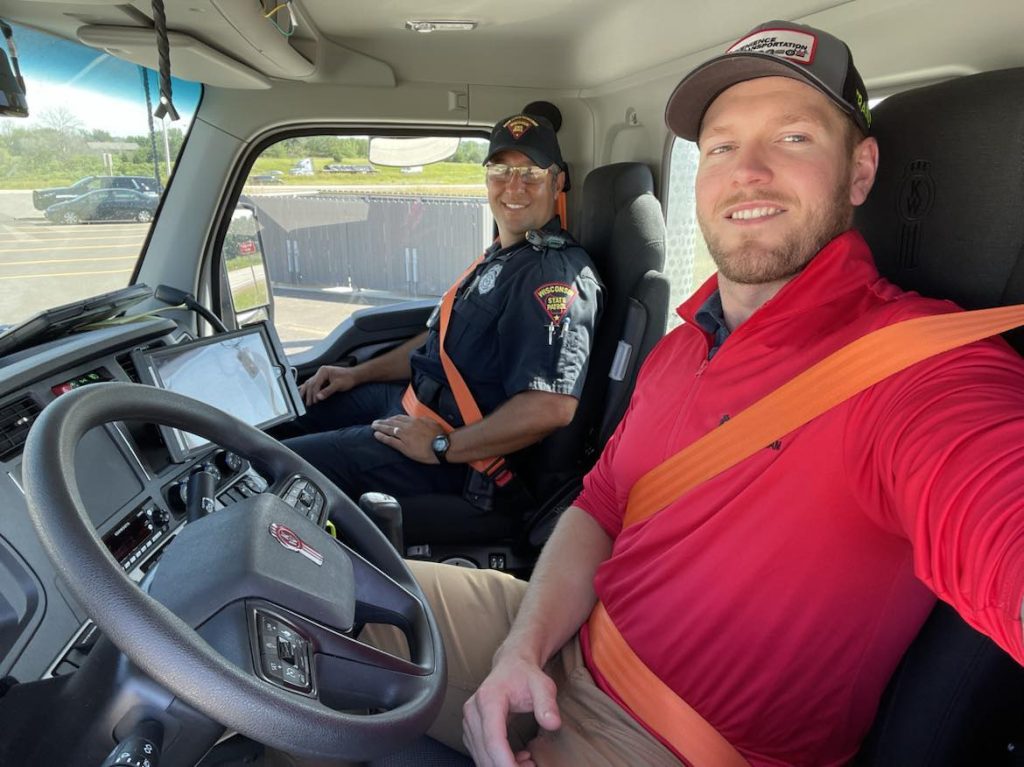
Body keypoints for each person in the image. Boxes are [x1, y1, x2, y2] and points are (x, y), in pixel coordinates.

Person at [362, 19, 1024, 767]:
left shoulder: (922, 370)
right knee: (311, 607)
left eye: (794, 138)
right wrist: (522, 648)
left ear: (860, 171)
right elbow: (601, 506)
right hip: (565, 635)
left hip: (665, 742)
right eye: (721, 146)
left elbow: (996, 506)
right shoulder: (682, 345)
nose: (749, 172)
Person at [280, 114, 603, 526]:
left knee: (278, 464)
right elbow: (441, 343)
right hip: (412, 405)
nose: (514, 186)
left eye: (531, 174)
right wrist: (357, 374)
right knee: (281, 419)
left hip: (465, 463)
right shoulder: (503, 256)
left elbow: (551, 407)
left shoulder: (551, 274)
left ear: (558, 183)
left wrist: (441, 447)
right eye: (501, 171)